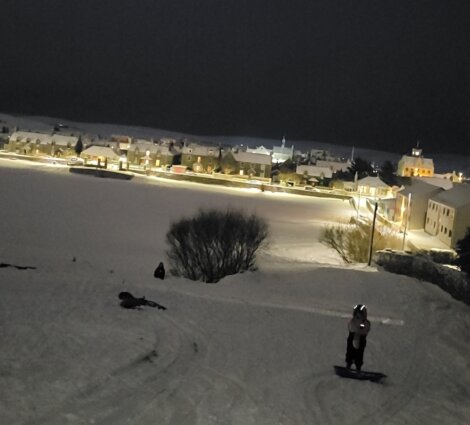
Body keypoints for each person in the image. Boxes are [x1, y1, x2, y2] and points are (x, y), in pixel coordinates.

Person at [345, 304, 371, 371]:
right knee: (351, 351)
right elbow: (351, 327)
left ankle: (357, 366)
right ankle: (350, 364)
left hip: (361, 338)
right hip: (353, 337)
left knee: (359, 353)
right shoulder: (353, 321)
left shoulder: (365, 322)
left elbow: (366, 329)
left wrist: (360, 331)